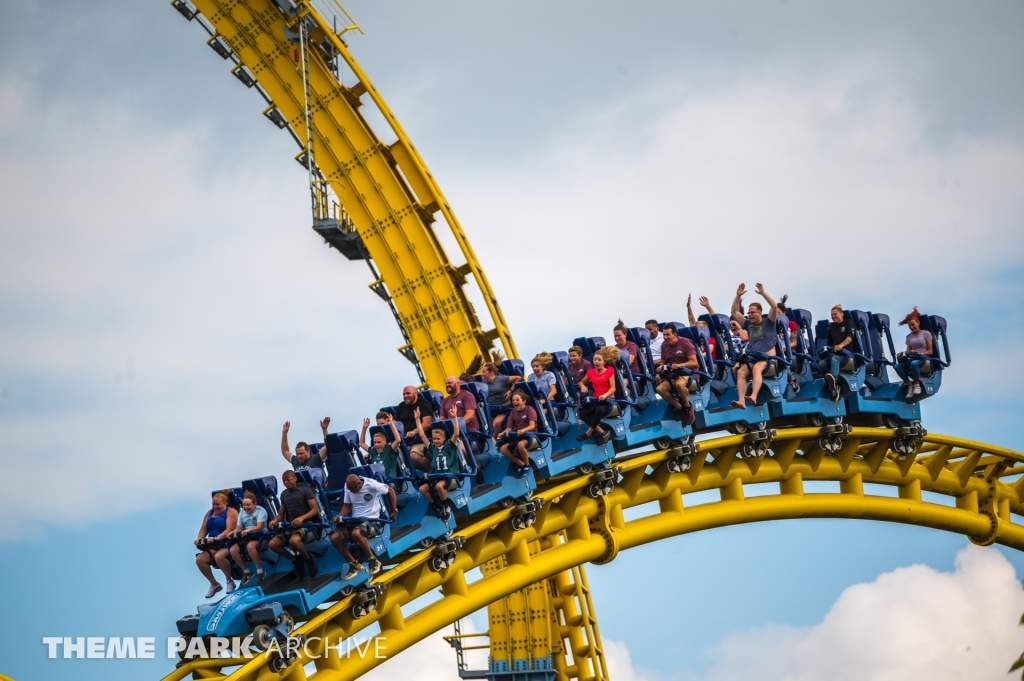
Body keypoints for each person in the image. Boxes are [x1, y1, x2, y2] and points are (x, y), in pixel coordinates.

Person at [329, 473, 397, 579]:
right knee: (334, 537)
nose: (351, 491)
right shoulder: (348, 487)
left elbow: (390, 491)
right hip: (355, 521)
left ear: (359, 483)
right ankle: (354, 565)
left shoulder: (372, 484)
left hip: (372, 521)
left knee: (356, 533)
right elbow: (347, 505)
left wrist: (394, 510)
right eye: (350, 490)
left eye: (354, 490)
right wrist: (339, 518)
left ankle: (373, 560)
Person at [730, 283, 780, 408]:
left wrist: (763, 293)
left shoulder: (769, 322)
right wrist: (738, 296)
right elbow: (734, 312)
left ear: (760, 313)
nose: (750, 315)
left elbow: (774, 306)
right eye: (749, 312)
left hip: (768, 359)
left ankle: (753, 396)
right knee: (741, 371)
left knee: (756, 368)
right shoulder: (748, 324)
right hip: (753, 357)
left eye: (753, 312)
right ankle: (741, 401)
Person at [268, 470, 320, 580]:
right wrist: (274, 521)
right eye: (283, 481)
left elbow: (315, 510)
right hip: (291, 527)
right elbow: (280, 515)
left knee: (294, 541)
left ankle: (308, 559)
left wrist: (302, 518)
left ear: (295, 479)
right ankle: (295, 560)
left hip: (307, 524)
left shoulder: (305, 490)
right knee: (273, 544)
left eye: (288, 480)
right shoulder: (284, 495)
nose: (286, 482)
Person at [415, 407, 464, 519]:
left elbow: (456, 433)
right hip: (438, 476)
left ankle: (445, 506)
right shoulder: (432, 448)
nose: (435, 441)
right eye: (434, 439)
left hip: (450, 476)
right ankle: (436, 505)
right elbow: (422, 435)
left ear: (444, 438)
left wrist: (455, 417)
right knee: (422, 488)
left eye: (438, 439)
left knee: (438, 486)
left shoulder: (449, 446)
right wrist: (417, 419)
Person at [195, 491, 239, 597]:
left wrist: (217, 537)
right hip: (214, 545)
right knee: (200, 560)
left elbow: (230, 529)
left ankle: (229, 581)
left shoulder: (231, 511)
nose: (215, 506)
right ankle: (214, 584)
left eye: (217, 504)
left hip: (227, 543)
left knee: (219, 556)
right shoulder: (209, 513)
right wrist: (200, 539)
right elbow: (203, 529)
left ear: (225, 504)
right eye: (213, 504)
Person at [654, 323, 699, 423]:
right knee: (659, 389)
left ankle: (688, 407)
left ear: (674, 334)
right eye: (664, 335)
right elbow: (664, 362)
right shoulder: (664, 345)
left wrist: (680, 365)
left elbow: (694, 362)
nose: (665, 337)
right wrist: (660, 367)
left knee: (679, 384)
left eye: (667, 335)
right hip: (673, 374)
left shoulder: (685, 342)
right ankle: (680, 408)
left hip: (688, 373)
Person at [576, 346, 619, 444]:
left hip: (608, 401)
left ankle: (587, 433)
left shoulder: (609, 371)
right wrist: (583, 386)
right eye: (595, 360)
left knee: (599, 410)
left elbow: (613, 388)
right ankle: (603, 433)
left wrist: (605, 395)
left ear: (604, 362)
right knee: (583, 414)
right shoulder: (591, 372)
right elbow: (581, 383)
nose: (597, 362)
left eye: (599, 360)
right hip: (596, 400)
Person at [817, 304, 855, 400]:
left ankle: (833, 382)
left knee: (834, 359)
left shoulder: (848, 323)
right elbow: (829, 344)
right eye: (832, 315)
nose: (833, 316)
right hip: (834, 355)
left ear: (842, 314)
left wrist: (840, 346)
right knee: (821, 364)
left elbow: (849, 338)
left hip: (846, 356)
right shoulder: (831, 328)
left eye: (835, 314)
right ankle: (833, 386)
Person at [229, 491, 267, 584]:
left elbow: (259, 527)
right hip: (247, 537)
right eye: (244, 505)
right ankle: (247, 572)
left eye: (248, 505)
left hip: (261, 537)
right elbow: (239, 528)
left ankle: (260, 571)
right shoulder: (242, 512)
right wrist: (231, 533)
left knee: (250, 546)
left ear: (254, 504)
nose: (245, 507)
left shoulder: (260, 511)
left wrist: (248, 530)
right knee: (233, 550)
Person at [497, 390, 538, 475]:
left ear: (524, 401)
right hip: (518, 436)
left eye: (517, 400)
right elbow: (509, 428)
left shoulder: (529, 409)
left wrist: (523, 430)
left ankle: (527, 465)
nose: (515, 402)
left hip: (530, 436)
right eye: (513, 400)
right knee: (503, 448)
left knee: (520, 444)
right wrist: (502, 433)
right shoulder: (513, 412)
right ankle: (521, 464)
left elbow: (532, 426)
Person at [897, 307, 934, 397]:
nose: (912, 327)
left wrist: (920, 353)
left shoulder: (926, 334)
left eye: (913, 324)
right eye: (910, 326)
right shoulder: (909, 337)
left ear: (918, 323)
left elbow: (930, 351)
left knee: (914, 364)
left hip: (923, 358)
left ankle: (917, 384)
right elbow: (908, 351)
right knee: (897, 366)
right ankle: (910, 385)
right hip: (912, 357)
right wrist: (901, 355)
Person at [393, 386, 435, 456]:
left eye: (408, 393)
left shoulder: (424, 404)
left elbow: (427, 423)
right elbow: (395, 422)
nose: (405, 396)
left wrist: (414, 432)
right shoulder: (401, 406)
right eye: (404, 394)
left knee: (414, 456)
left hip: (420, 441)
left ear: (415, 394)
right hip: (405, 441)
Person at [360, 413, 402, 479]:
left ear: (385, 442)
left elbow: (398, 440)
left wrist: (391, 425)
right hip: (377, 482)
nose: (376, 444)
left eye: (379, 442)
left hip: (390, 481)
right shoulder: (373, 450)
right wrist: (364, 428)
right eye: (375, 442)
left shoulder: (390, 449)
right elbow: (361, 443)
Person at [481, 362, 519, 432]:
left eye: (484, 372)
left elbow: (518, 378)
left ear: (491, 373)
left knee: (496, 423)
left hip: (502, 409)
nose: (482, 374)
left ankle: (494, 442)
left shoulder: (501, 379)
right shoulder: (483, 383)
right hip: (489, 409)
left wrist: (510, 390)